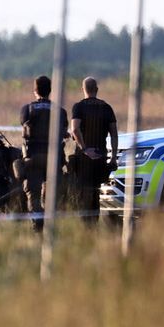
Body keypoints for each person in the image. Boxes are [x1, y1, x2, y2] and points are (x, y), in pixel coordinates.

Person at [20, 75, 68, 231]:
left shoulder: (27, 109)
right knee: (52, 193)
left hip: (33, 157)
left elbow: (24, 125)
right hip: (54, 159)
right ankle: (50, 223)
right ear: (50, 91)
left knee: (32, 194)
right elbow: (63, 130)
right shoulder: (60, 111)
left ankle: (38, 225)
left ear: (35, 91)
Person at [70, 76, 118, 222]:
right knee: (96, 193)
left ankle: (85, 227)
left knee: (83, 194)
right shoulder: (107, 108)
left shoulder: (78, 107)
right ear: (96, 89)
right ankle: (94, 225)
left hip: (83, 159)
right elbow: (114, 134)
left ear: (83, 89)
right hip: (100, 157)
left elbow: (75, 129)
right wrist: (113, 157)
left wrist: (84, 149)